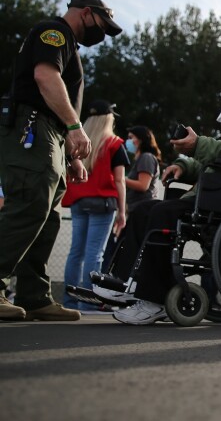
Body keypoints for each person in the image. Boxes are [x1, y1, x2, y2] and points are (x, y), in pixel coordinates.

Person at [109, 79, 221, 324]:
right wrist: (183, 165)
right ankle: (122, 281)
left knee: (161, 214)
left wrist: (198, 145)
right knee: (143, 210)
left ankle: (154, 299)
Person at [0, 0, 122, 322]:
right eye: (101, 25)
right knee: (29, 207)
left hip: (48, 135)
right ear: (86, 13)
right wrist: (74, 125)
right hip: (33, 128)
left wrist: (72, 152)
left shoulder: (68, 43)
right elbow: (45, 78)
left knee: (47, 217)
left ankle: (34, 295)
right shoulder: (55, 33)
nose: (102, 34)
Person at [61, 100, 128, 311]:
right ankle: (88, 304)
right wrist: (123, 211)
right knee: (94, 253)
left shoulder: (77, 141)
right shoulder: (114, 143)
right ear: (109, 118)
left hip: (78, 200)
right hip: (103, 202)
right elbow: (119, 181)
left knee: (76, 252)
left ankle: (69, 302)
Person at [124, 126, 162, 211]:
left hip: (143, 210)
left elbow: (143, 185)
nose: (128, 141)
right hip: (137, 209)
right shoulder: (141, 158)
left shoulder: (146, 157)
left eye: (131, 137)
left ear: (141, 140)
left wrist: (120, 179)